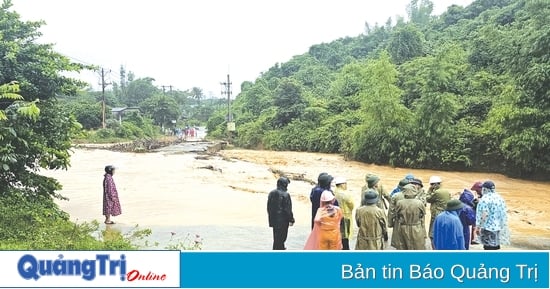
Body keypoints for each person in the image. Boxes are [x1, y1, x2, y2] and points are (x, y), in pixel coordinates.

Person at [475, 181, 510, 250]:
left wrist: (478, 227)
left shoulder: (484, 199)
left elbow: (485, 214)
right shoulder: (499, 198)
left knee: (488, 247)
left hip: (487, 228)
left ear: (484, 189)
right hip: (498, 227)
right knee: (496, 246)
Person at [394, 184, 427, 250]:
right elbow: (423, 215)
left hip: (403, 227)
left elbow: (396, 215)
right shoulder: (419, 203)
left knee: (403, 247)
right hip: (416, 227)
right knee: (418, 246)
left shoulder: (399, 203)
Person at [267, 176, 295, 250]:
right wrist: (291, 220)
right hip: (283, 221)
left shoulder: (271, 193)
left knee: (276, 239)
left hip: (274, 220)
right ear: (284, 185)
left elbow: (269, 207)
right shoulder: (285, 195)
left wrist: (271, 218)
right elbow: (287, 209)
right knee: (282, 239)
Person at [426, 176, 451, 247]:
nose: (431, 186)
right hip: (446, 214)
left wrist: (429, 190)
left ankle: (435, 250)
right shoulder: (446, 191)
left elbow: (428, 199)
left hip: (437, 215)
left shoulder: (437, 192)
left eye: (431, 185)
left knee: (432, 234)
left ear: (435, 184)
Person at [333, 177, 354, 250]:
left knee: (339, 232)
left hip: (336, 216)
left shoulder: (333, 192)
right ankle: (345, 249)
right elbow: (351, 205)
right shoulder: (345, 194)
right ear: (342, 185)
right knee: (345, 234)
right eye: (345, 184)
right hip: (346, 216)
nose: (346, 185)